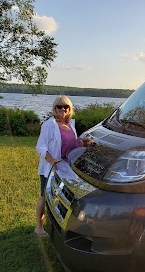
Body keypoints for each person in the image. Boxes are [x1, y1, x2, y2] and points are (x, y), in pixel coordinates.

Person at [34, 95, 94, 236]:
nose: (62, 109)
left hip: (65, 168)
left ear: (69, 109)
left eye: (65, 106)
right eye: (59, 106)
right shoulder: (49, 125)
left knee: (62, 196)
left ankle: (58, 223)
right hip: (51, 167)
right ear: (54, 109)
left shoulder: (70, 125)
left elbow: (72, 144)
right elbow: (40, 146)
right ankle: (38, 227)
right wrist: (51, 159)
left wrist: (84, 143)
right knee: (44, 195)